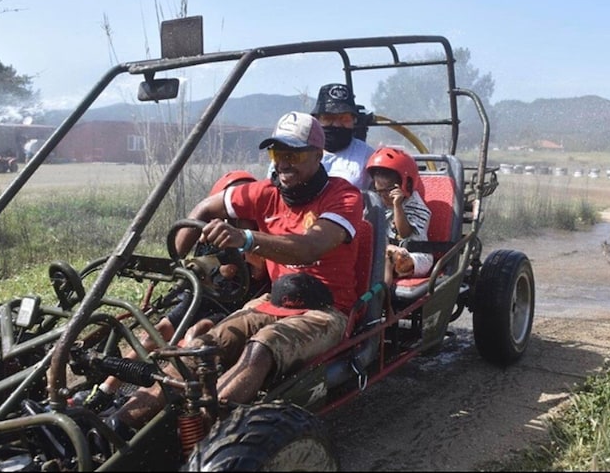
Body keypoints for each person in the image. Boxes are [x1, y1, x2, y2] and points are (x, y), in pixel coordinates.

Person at [108, 111, 364, 430]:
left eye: (293, 154)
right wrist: (178, 259)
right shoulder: (265, 193)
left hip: (325, 312)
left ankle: (208, 430)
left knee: (262, 347)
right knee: (200, 348)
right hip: (274, 302)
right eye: (277, 153)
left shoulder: (343, 196)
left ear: (316, 155)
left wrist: (245, 238)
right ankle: (114, 428)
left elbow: (308, 247)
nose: (283, 163)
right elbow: (205, 207)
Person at [73, 170, 269, 413]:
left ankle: (166, 401)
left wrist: (239, 241)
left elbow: (259, 271)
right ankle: (106, 390)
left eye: (240, 207)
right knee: (155, 333)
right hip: (203, 297)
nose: (234, 212)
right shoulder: (208, 232)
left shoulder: (258, 235)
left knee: (195, 336)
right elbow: (187, 259)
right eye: (229, 205)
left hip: (234, 306)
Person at [266, 83, 374, 190]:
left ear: (354, 120)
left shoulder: (367, 156)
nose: (336, 125)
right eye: (328, 118)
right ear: (316, 120)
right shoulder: (290, 151)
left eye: (344, 119)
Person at [366, 147, 433, 287]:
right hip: (385, 251)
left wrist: (397, 206)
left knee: (389, 257)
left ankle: (380, 299)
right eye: (379, 191)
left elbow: (404, 233)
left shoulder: (417, 206)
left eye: (388, 190)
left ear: (405, 185)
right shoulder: (378, 203)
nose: (384, 196)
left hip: (415, 255)